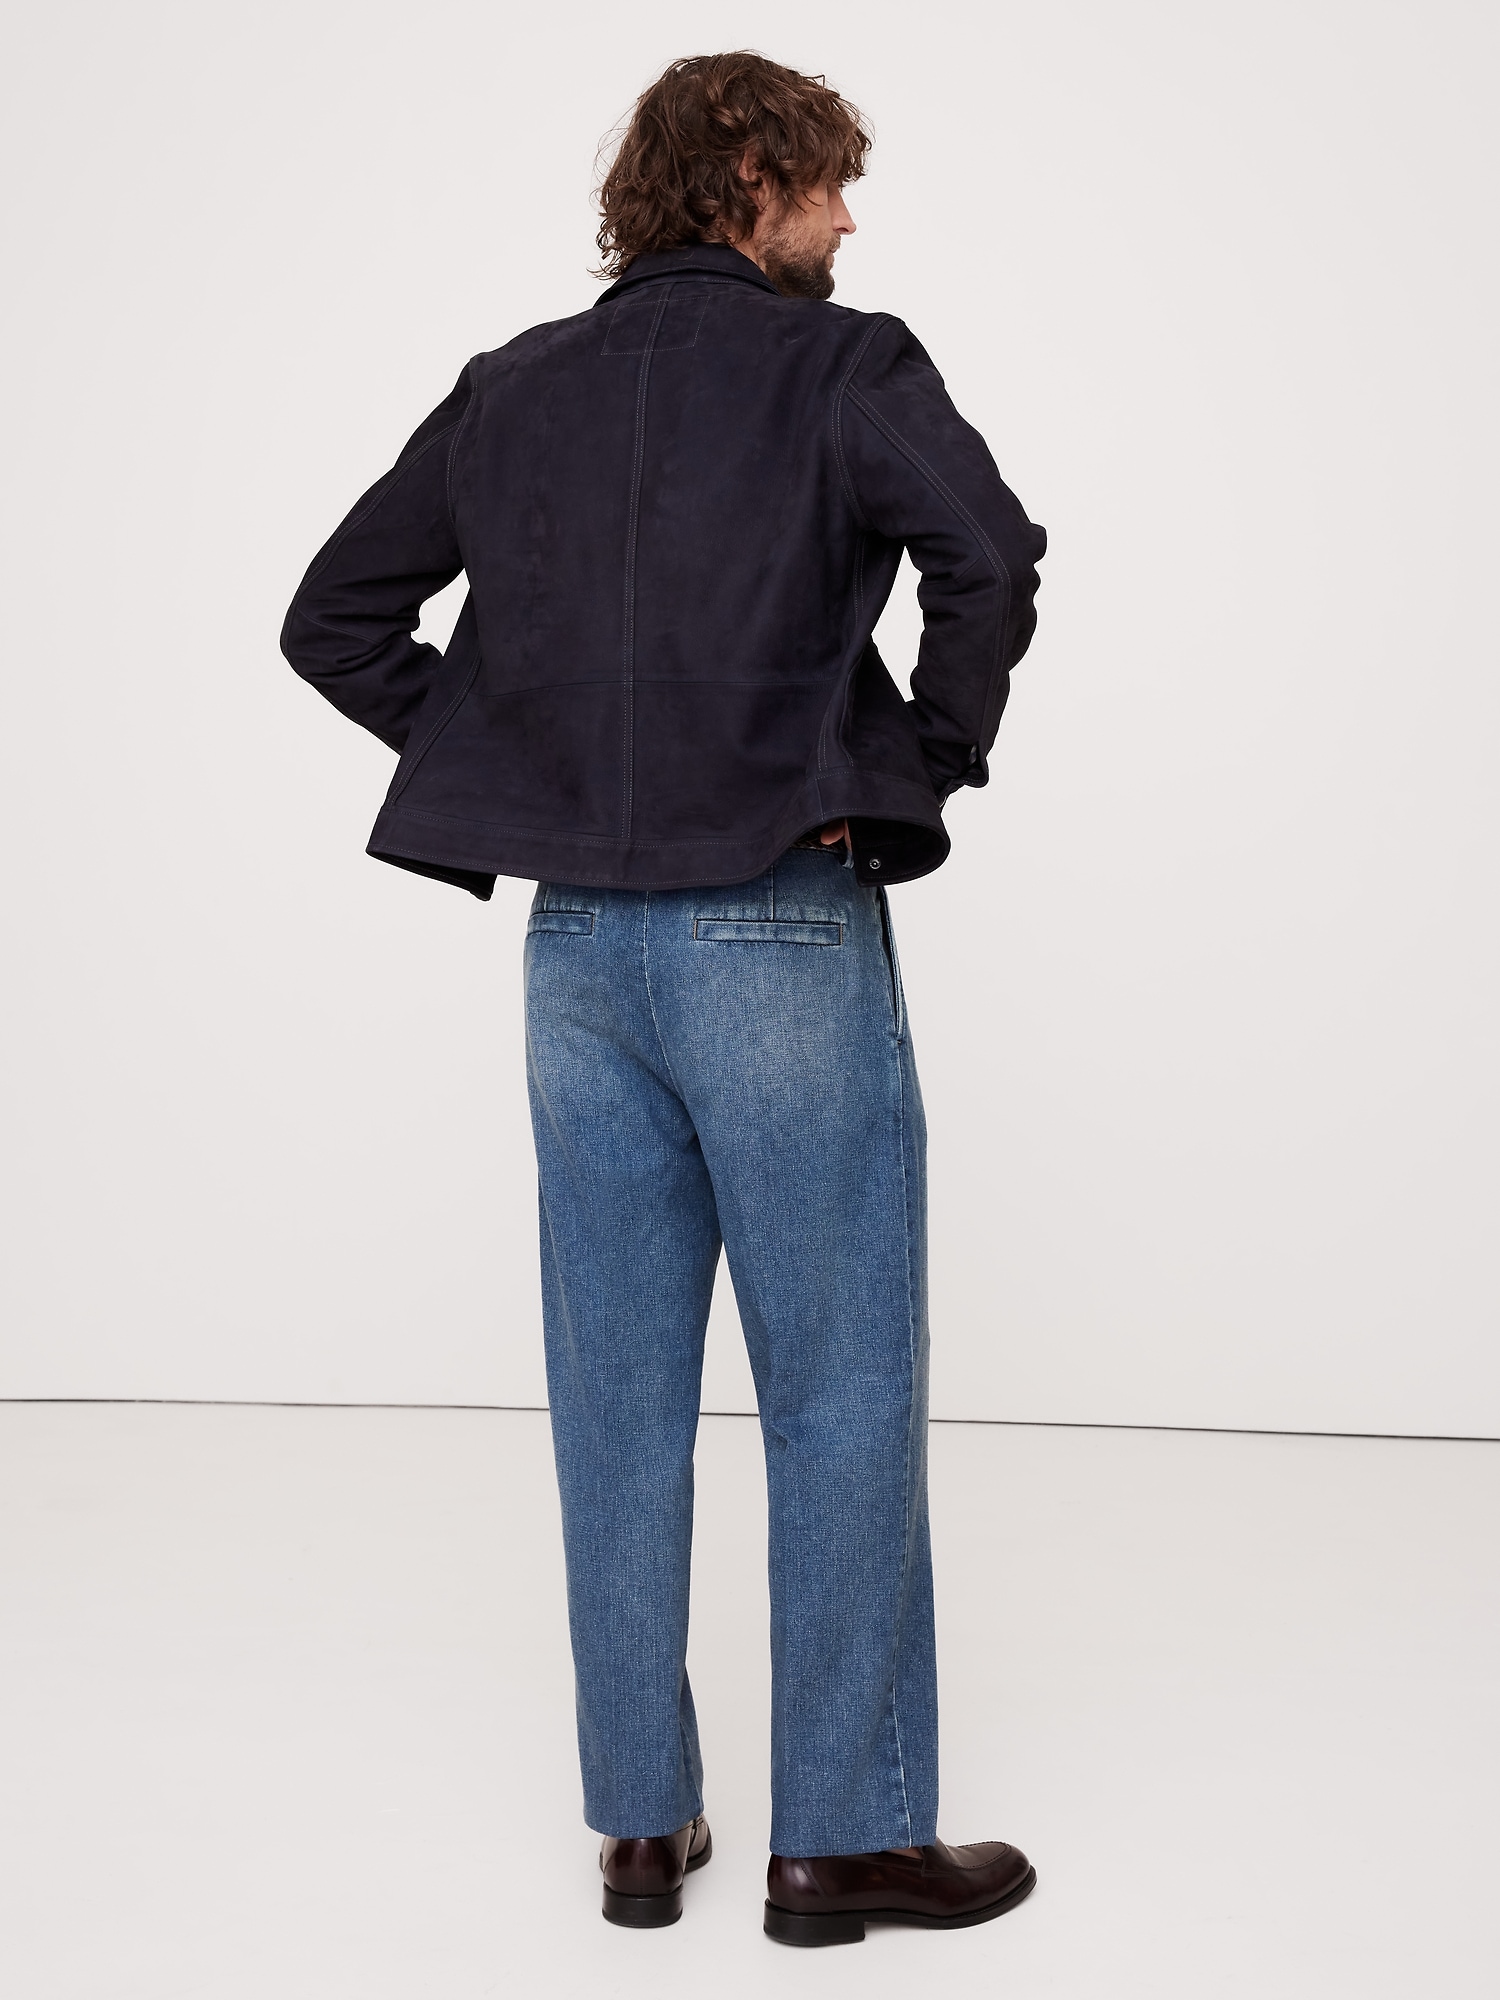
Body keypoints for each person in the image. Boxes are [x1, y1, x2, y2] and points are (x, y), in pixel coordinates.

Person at [281, 51, 1046, 1947]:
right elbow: (991, 555)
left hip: (580, 961)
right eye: (832, 181)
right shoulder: (844, 366)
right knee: (840, 1390)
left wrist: (518, 766)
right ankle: (839, 1842)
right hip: (776, 921)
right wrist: (920, 758)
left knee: (613, 1399)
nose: (851, 218)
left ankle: (640, 1825)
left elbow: (335, 617)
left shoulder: (515, 386)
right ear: (747, 175)